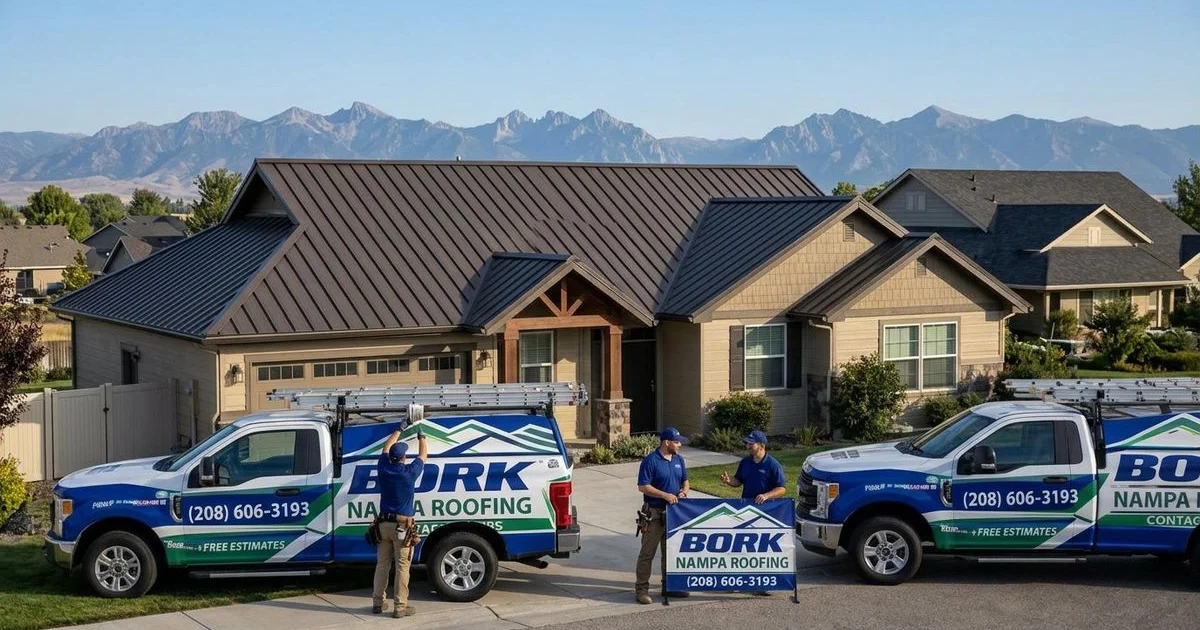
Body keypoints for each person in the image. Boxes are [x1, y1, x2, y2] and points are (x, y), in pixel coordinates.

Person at [720, 429, 787, 597]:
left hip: (766, 512)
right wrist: (730, 481)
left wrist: (766, 495)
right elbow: (738, 481)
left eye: (751, 443)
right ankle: (737, 581)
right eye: (747, 443)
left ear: (761, 445)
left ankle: (763, 583)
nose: (747, 446)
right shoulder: (745, 463)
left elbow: (782, 488)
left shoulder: (772, 465)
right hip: (745, 510)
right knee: (741, 546)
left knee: (762, 548)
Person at [373, 424, 428, 618]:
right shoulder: (408, 473)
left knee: (382, 564)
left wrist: (399, 428)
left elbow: (386, 448)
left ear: (391, 457)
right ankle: (400, 607)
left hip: (383, 525)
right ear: (404, 458)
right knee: (402, 566)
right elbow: (423, 456)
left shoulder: (383, 468)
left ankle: (378, 603)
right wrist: (422, 437)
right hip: (402, 526)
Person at [634, 427, 690, 605]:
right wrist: (664, 495)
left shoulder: (679, 460)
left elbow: (686, 482)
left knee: (670, 552)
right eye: (677, 441)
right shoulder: (651, 461)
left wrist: (683, 492)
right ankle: (642, 590)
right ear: (666, 442)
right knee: (647, 553)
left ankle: (669, 586)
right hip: (654, 513)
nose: (680, 445)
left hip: (673, 513)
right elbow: (643, 486)